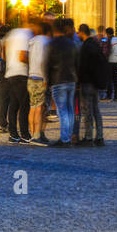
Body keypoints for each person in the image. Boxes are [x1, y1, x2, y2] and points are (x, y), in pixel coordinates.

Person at [46, 18, 78, 147]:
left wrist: (48, 80)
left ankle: (64, 139)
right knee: (70, 110)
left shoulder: (52, 44)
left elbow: (48, 63)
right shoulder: (71, 43)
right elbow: (77, 62)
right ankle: (68, 136)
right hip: (71, 79)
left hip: (58, 79)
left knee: (62, 110)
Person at [76, 24, 106, 146]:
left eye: (79, 32)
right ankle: (100, 137)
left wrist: (79, 81)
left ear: (82, 32)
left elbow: (82, 66)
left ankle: (88, 137)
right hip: (96, 83)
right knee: (96, 110)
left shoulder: (85, 46)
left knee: (87, 111)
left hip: (87, 82)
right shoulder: (96, 45)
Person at [3, 22, 32, 143]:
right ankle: (25, 134)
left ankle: (13, 134)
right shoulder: (25, 35)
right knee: (24, 105)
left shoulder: (11, 34)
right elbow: (22, 56)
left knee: (14, 105)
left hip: (10, 72)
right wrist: (34, 62)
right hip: (21, 73)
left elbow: (3, 54)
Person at [27, 19, 51, 145]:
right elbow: (44, 61)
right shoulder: (47, 42)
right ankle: (37, 135)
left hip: (31, 76)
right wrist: (46, 79)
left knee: (33, 107)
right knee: (40, 108)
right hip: (41, 77)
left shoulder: (32, 41)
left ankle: (33, 133)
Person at [104, 26, 117, 101]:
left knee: (109, 79)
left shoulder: (109, 40)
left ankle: (109, 95)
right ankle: (116, 96)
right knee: (115, 79)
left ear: (107, 33)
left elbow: (108, 50)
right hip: (116, 60)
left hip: (110, 61)